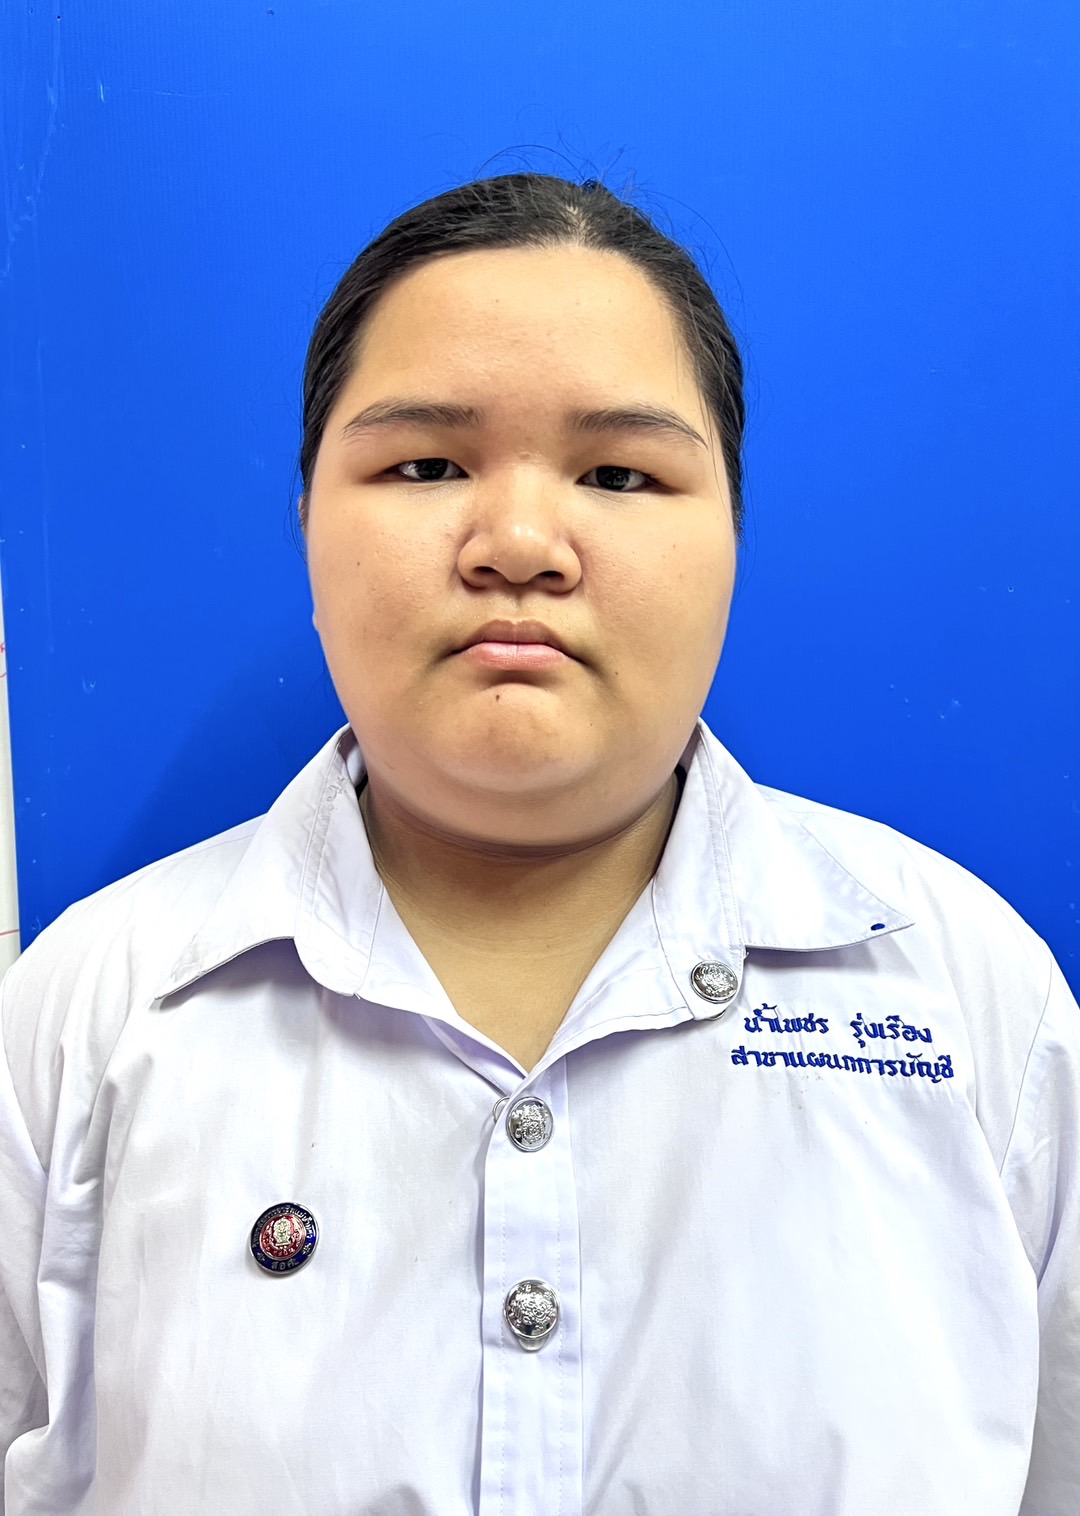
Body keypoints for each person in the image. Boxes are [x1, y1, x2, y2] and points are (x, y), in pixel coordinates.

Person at [0, 171, 1076, 1516]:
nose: (518, 544)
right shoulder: (89, 1014)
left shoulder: (968, 996)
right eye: (425, 466)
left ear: (731, 536)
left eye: (621, 474)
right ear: (307, 521)